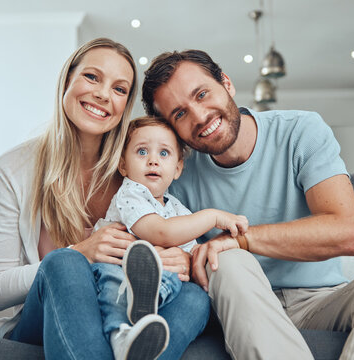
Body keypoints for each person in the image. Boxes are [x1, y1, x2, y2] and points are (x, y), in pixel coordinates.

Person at [141, 49, 354, 359]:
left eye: (202, 94)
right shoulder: (175, 173)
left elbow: (348, 232)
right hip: (239, 305)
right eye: (179, 114)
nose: (199, 116)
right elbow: (161, 243)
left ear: (227, 83)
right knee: (230, 262)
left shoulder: (300, 131)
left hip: (321, 300)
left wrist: (241, 240)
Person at [0, 38, 210, 360]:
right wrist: (82, 252)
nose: (103, 94)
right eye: (92, 77)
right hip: (45, 318)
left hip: (123, 311)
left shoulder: (140, 167)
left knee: (195, 298)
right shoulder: (15, 167)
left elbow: (171, 232)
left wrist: (180, 261)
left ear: (125, 105)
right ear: (67, 80)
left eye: (119, 89)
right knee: (65, 262)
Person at [90, 116, 248, 358]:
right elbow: (161, 233)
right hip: (115, 271)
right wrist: (213, 217)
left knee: (189, 285)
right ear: (123, 165)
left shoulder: (176, 208)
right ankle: (121, 337)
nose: (153, 160)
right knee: (113, 286)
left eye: (164, 153)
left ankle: (148, 304)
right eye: (142, 151)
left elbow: (190, 252)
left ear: (177, 169)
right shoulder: (131, 194)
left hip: (157, 288)